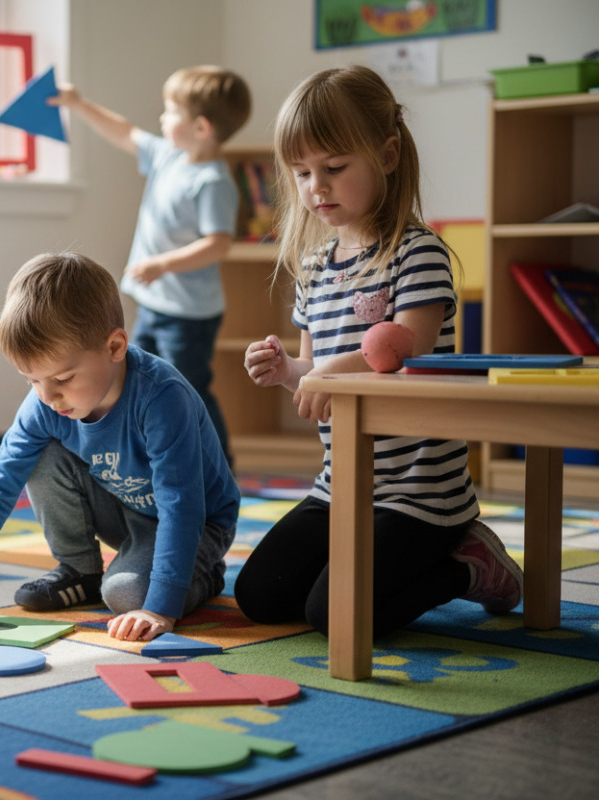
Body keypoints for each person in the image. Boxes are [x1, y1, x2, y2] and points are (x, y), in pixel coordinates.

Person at [236, 65, 523, 638]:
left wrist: (322, 374)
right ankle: (375, 565)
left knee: (333, 616)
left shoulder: (417, 253)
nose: (317, 186)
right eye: (302, 173)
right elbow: (315, 377)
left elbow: (404, 354)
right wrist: (287, 371)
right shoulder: (314, 269)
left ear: (388, 156)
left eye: (335, 168)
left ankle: (469, 568)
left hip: (421, 493)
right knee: (258, 596)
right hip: (341, 481)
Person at [0, 252, 240, 642]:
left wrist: (159, 609)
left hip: (199, 522)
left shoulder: (161, 397)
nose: (47, 396)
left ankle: (205, 576)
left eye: (63, 378)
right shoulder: (47, 403)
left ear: (115, 347)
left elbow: (182, 505)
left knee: (126, 595)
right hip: (126, 509)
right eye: (31, 381)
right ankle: (80, 570)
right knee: (39, 455)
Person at [51, 66, 252, 469]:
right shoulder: (168, 156)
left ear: (200, 126)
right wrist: (77, 103)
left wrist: (162, 263)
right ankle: (149, 459)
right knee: (138, 382)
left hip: (189, 316)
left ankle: (217, 464)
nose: (162, 118)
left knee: (189, 389)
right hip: (154, 305)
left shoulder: (212, 182)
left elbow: (218, 244)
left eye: (171, 111)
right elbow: (125, 132)